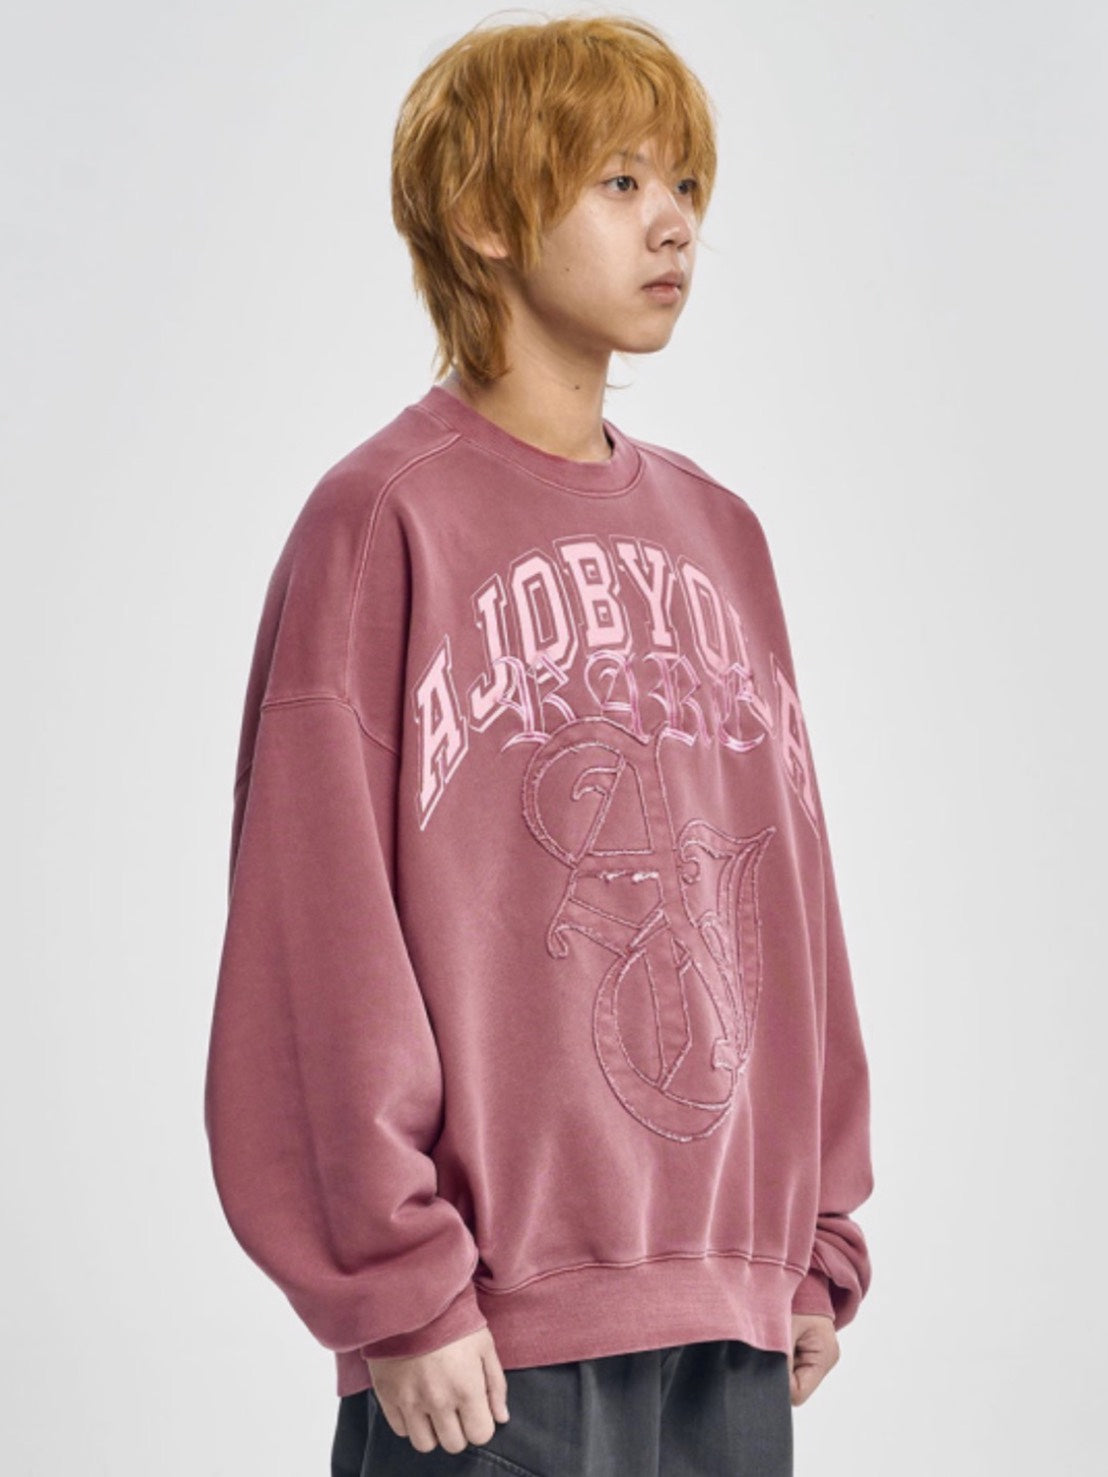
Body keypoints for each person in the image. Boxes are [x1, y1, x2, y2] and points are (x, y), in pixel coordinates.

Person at [203, 13, 875, 1476]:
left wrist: (811, 1228)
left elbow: (785, 885)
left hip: (730, 1314)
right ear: (485, 216)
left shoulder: (724, 533)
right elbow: (316, 924)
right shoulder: (384, 518)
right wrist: (397, 1281)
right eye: (620, 182)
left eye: (684, 183)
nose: (676, 222)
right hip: (488, 1341)